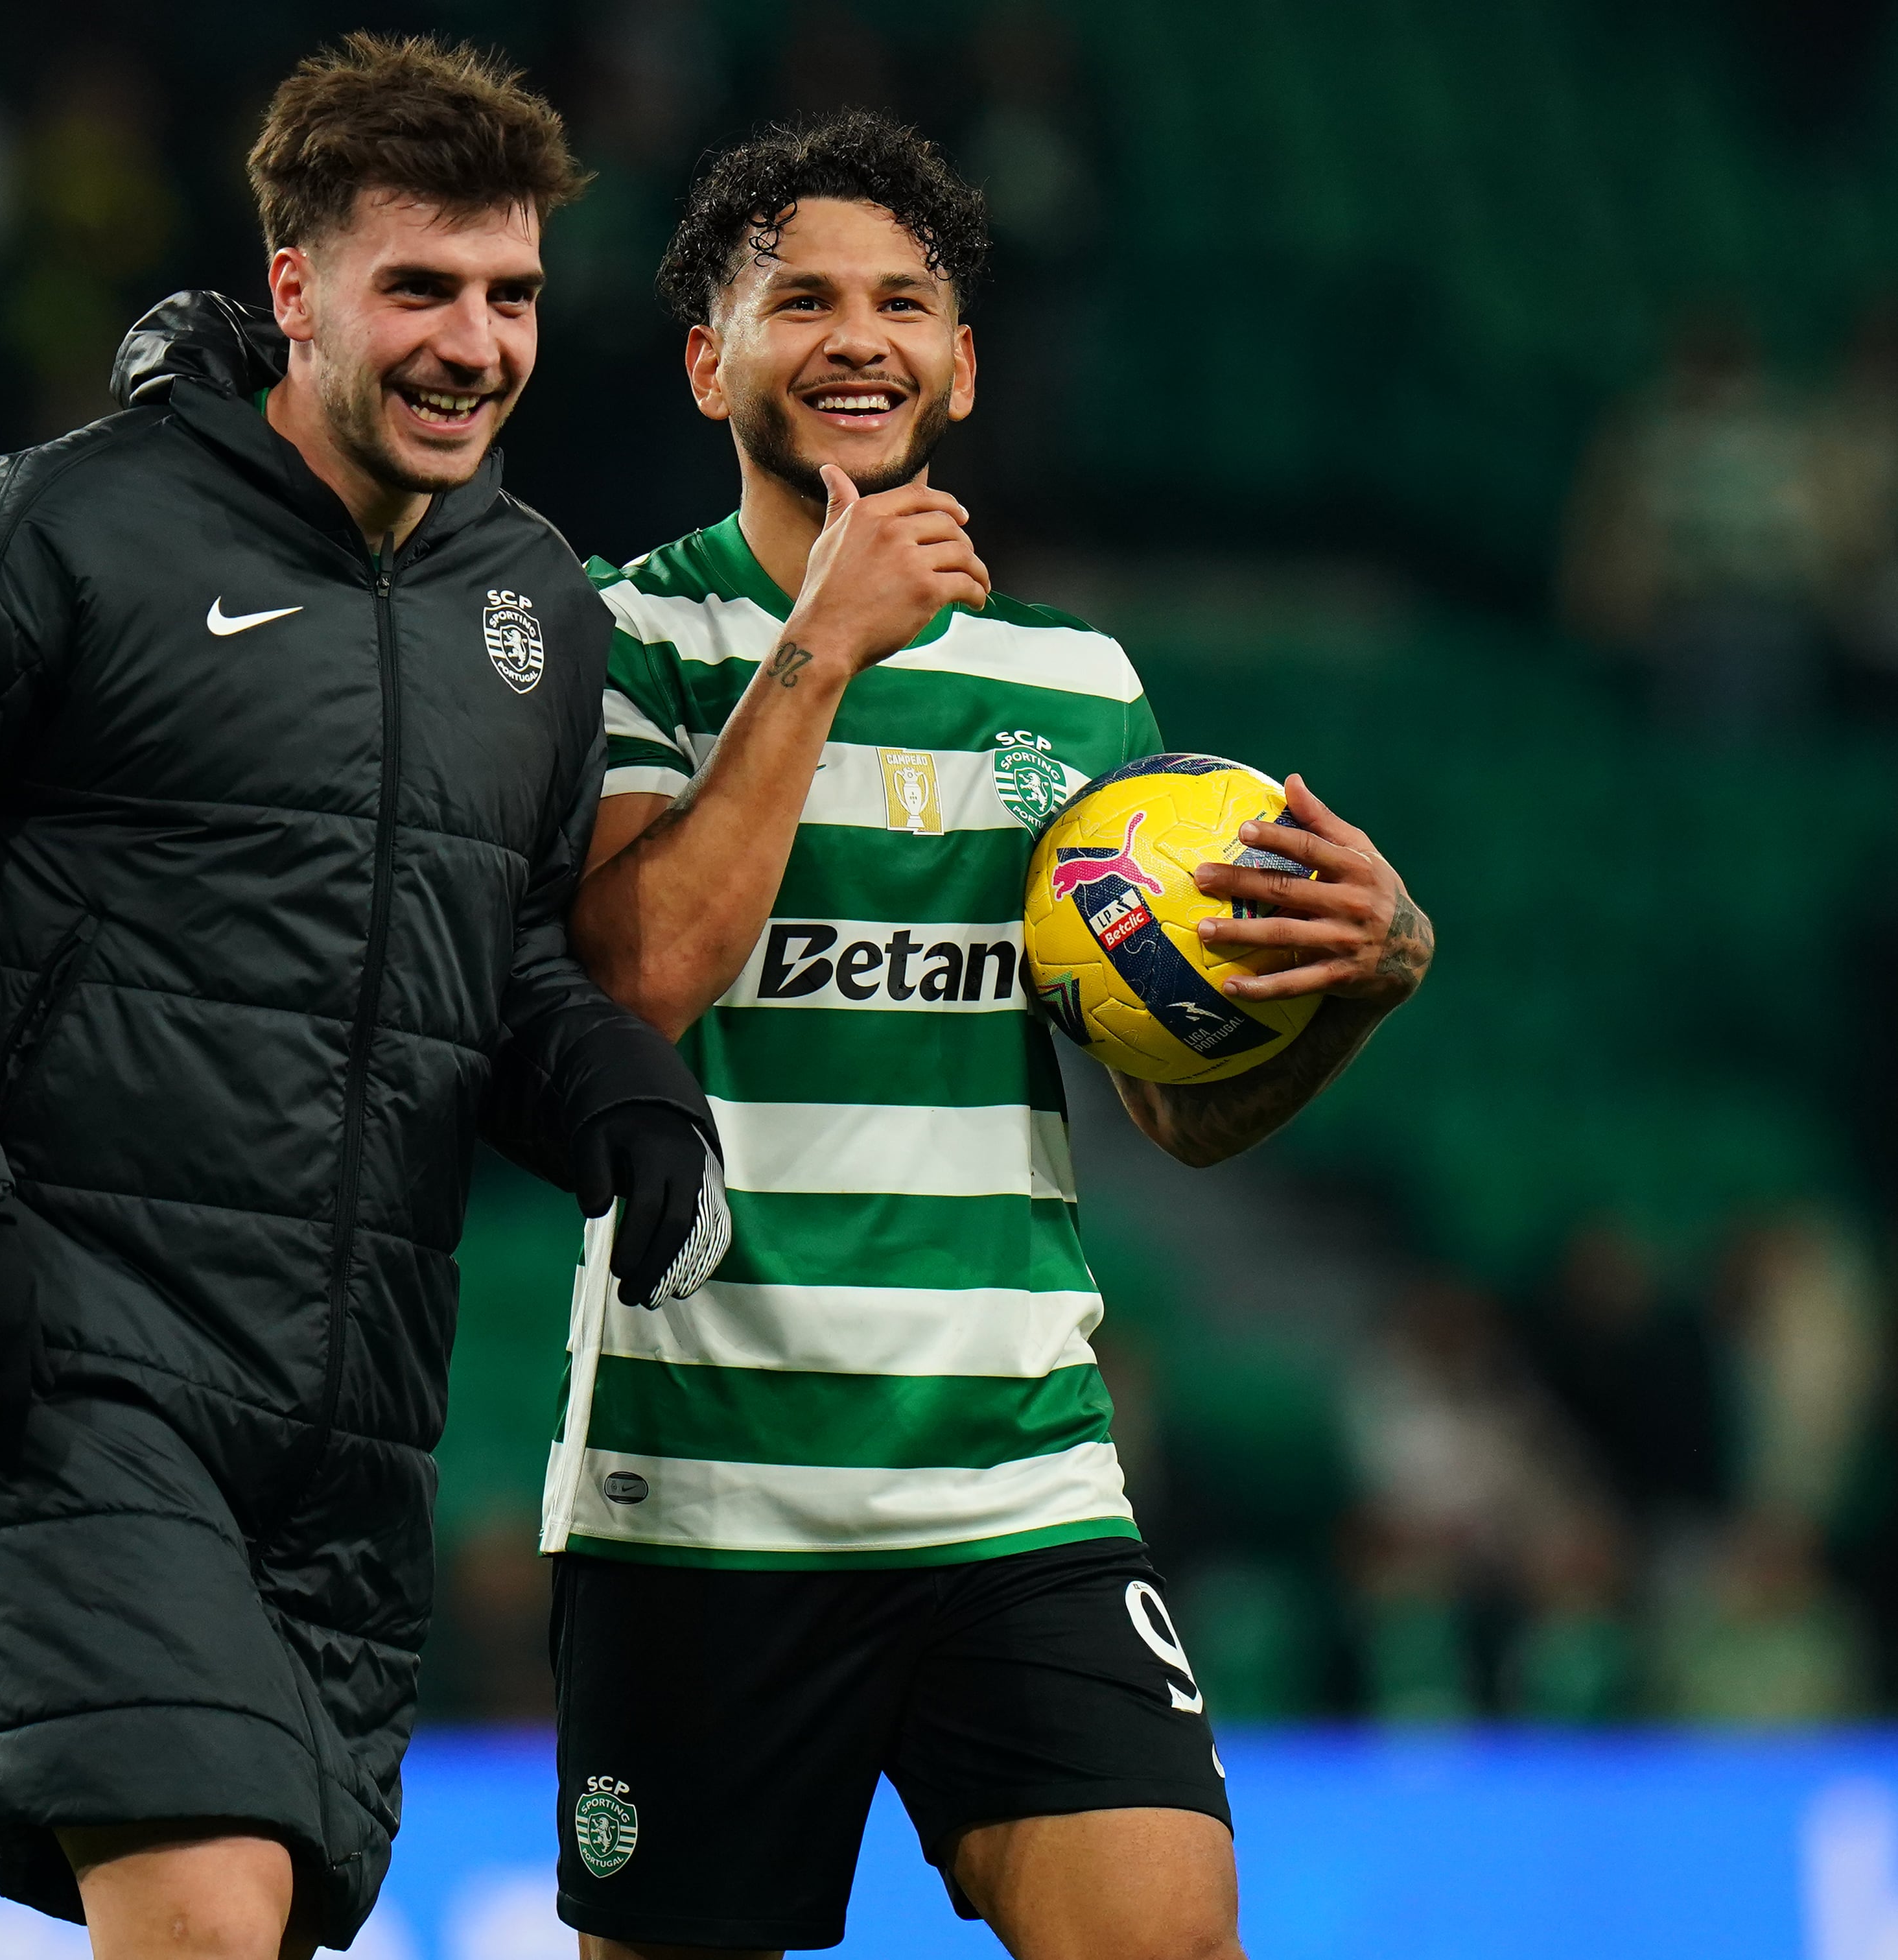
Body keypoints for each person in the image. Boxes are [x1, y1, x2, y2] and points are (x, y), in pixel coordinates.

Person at [0, 36, 725, 1960]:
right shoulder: (60, 532)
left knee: (242, 1926)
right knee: (199, 1907)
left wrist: (620, 1097)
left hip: (350, 1411)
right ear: (293, 291)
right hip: (66, 1350)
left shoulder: (531, 606)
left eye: (508, 294)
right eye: (416, 287)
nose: (473, 344)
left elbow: (480, 954)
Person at [553, 112, 1434, 1960]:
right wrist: (822, 644)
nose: (858, 333)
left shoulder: (1076, 687)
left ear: (963, 365)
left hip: (1014, 1487)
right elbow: (636, 986)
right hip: (704, 1499)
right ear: (711, 361)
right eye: (801, 299)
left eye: (905, 300)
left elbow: (1171, 1118)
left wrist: (1351, 993)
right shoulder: (614, 640)